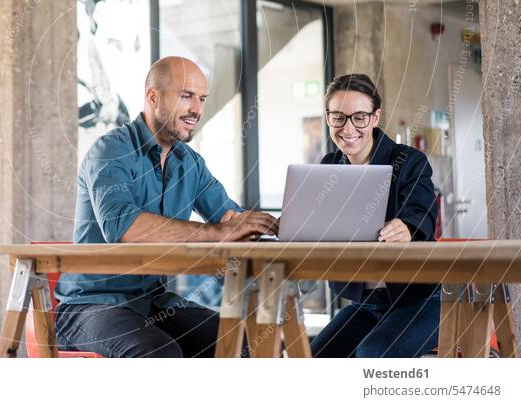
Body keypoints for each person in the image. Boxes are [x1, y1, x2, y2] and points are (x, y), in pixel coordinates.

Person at [54, 56, 279, 357]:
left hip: (153, 302)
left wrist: (274, 228)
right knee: (161, 354)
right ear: (153, 96)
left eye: (201, 99)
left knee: (249, 344)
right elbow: (123, 226)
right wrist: (218, 233)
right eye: (186, 96)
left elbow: (230, 219)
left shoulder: (190, 164)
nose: (197, 110)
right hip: (90, 305)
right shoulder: (110, 151)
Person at [310, 74, 440, 358]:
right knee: (315, 359)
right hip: (366, 302)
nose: (348, 128)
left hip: (421, 299)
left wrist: (408, 227)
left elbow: (423, 211)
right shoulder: (328, 166)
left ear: (375, 117)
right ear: (328, 118)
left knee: (372, 355)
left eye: (359, 117)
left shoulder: (408, 160)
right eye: (338, 117)